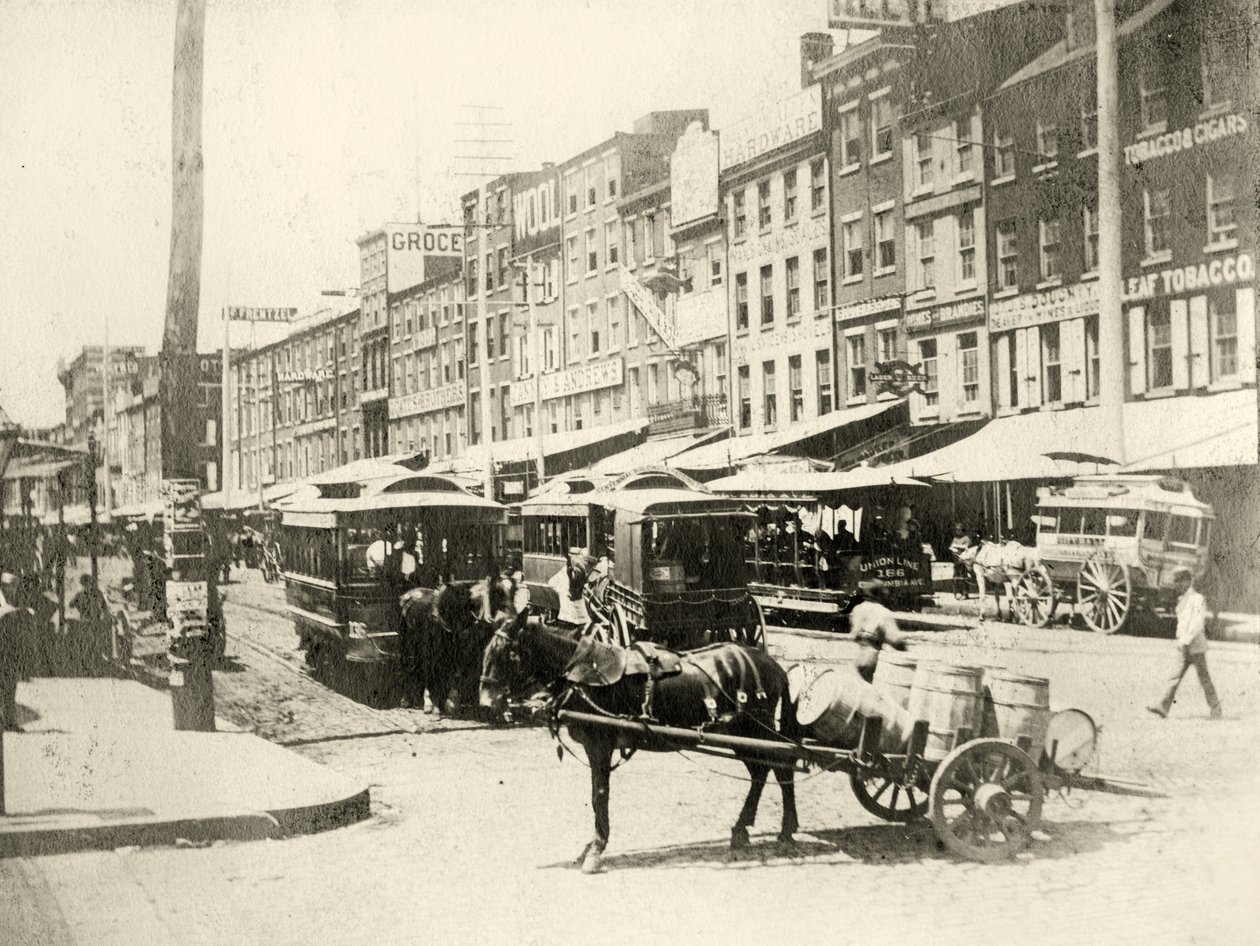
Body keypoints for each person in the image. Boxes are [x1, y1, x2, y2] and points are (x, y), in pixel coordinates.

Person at [1148, 569, 1222, 719]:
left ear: (1188, 581)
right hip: (1185, 647)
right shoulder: (1185, 598)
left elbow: (1197, 624)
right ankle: (1163, 706)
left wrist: (1185, 640)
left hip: (1196, 648)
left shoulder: (1197, 598)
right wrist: (1181, 640)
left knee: (1204, 679)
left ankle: (1216, 709)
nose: (1177, 585)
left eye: (1180, 582)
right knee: (1176, 676)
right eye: (1176, 582)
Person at [845, 579, 908, 683]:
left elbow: (853, 631)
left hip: (855, 652)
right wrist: (906, 651)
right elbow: (894, 637)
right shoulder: (883, 612)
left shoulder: (858, 609)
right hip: (870, 654)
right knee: (868, 687)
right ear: (881, 595)